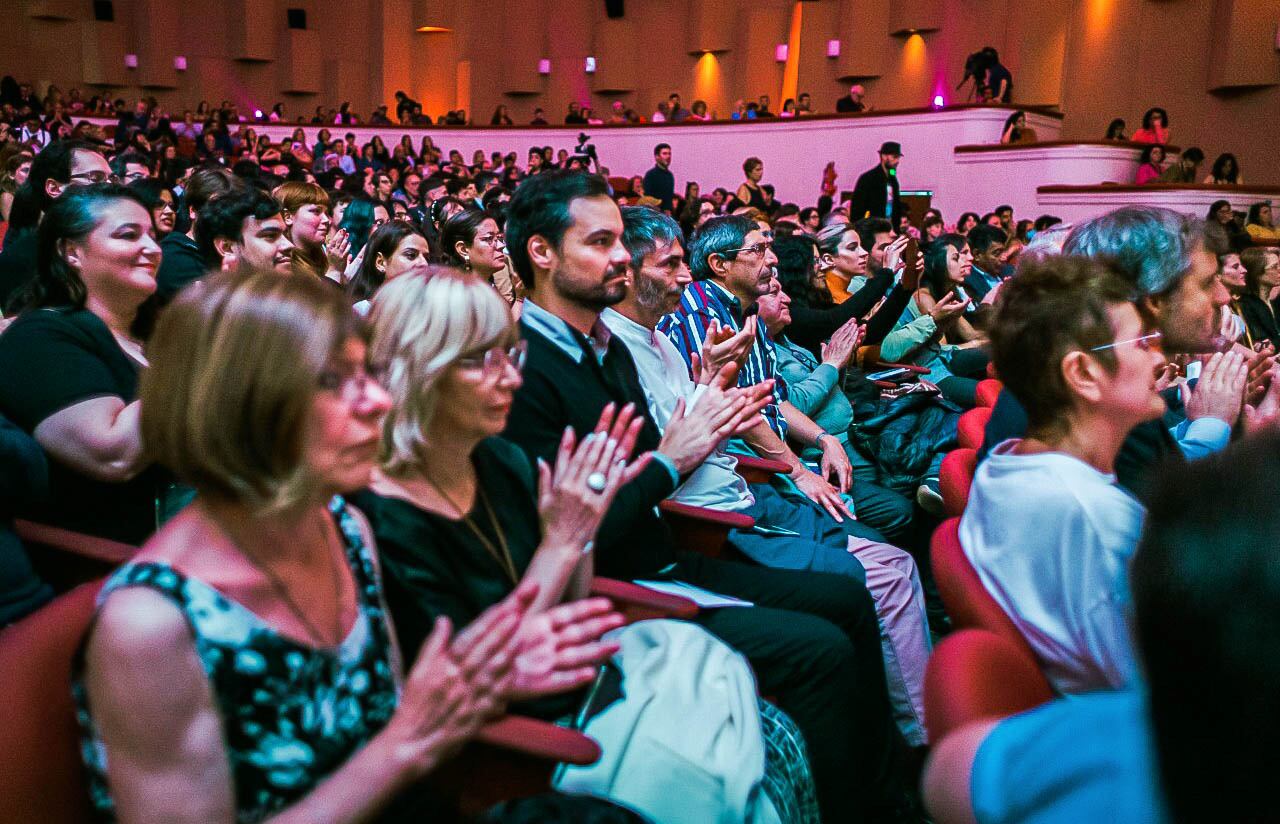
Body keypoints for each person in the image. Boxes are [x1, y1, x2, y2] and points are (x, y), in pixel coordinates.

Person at [74, 268, 630, 823]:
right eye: (334, 381)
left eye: (367, 373)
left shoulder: (342, 524)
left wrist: (475, 685)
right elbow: (398, 737)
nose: (380, 402)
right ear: (238, 404)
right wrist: (409, 740)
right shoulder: (150, 624)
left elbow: (385, 715)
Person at [500, 170, 917, 822]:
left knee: (846, 596)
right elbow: (587, 526)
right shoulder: (529, 369)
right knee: (821, 650)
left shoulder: (602, 349)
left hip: (661, 549)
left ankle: (886, 792)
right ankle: (857, 806)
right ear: (541, 253)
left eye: (620, 241)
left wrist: (704, 401)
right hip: (622, 584)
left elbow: (652, 464)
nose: (619, 257)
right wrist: (675, 457)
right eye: (600, 241)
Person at [357, 267, 818, 823]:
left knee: (779, 737)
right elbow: (475, 674)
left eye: (511, 354)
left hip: (580, 675)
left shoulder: (498, 460)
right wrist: (564, 541)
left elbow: (571, 602)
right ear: (417, 371)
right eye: (484, 359)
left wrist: (578, 537)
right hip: (516, 733)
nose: (510, 378)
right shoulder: (374, 517)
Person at [608, 209, 930, 744]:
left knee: (882, 556)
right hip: (728, 510)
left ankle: (903, 738)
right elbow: (725, 425)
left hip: (750, 488)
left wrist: (821, 440)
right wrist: (794, 468)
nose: (773, 259)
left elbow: (766, 400)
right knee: (871, 573)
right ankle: (912, 744)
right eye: (759, 251)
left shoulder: (676, 334)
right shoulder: (688, 319)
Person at [963, 255, 1168, 692]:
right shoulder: (1098, 519)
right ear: (1082, 373)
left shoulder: (1005, 463)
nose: (1159, 358)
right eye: (1142, 344)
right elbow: (1167, 694)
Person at [979, 207, 1244, 500]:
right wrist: (1226, 429)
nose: (1223, 296)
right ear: (1155, 298)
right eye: (1207, 282)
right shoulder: (1099, 398)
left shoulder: (1079, 370)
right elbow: (1172, 527)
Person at [0, 184, 165, 542]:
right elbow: (112, 454)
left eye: (153, 236)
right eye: (129, 235)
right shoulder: (42, 335)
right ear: (71, 252)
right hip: (114, 563)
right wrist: (202, 358)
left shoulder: (155, 336)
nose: (153, 249)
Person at [0, 139, 113, 313]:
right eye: (96, 178)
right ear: (54, 187)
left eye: (111, 179)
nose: (110, 187)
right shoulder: (20, 259)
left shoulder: (115, 247)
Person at [882, 234, 988, 407]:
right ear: (938, 263)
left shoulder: (939, 290)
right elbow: (892, 351)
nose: (968, 260)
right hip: (925, 371)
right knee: (993, 389)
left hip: (937, 361)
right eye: (957, 257)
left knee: (1001, 356)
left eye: (918, 257)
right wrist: (934, 321)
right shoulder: (918, 295)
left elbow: (966, 335)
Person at [155, 165, 238, 305]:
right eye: (216, 205)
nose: (225, 213)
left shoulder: (230, 249)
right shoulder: (174, 255)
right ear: (193, 210)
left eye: (232, 206)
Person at [195, 185, 294, 274]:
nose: (290, 245)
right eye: (270, 236)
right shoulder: (204, 294)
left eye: (285, 234)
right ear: (227, 247)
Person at [440, 208, 524, 305]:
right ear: (463, 249)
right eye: (489, 239)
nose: (501, 245)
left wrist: (519, 297)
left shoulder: (486, 285)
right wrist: (519, 299)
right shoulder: (459, 296)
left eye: (499, 237)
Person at [345, 221, 432, 314]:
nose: (424, 263)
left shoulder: (429, 311)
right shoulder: (362, 314)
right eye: (411, 255)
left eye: (426, 257)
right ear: (381, 262)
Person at [1237, 247, 1280, 347]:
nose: (1279, 270)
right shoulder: (1246, 305)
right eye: (1274, 267)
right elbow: (1263, 344)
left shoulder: (1275, 301)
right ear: (1257, 273)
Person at [850, 141, 903, 221]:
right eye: (895, 157)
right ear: (884, 156)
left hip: (888, 228)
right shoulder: (868, 178)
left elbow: (896, 208)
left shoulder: (893, 180)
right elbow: (857, 209)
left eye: (898, 157)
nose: (897, 161)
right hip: (872, 228)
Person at [962, 223, 1008, 303]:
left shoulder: (1011, 271)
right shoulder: (968, 282)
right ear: (977, 255)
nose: (1004, 258)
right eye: (997, 253)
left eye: (1003, 251)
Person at [642, 143, 675, 214]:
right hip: (655, 214)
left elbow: (669, 198)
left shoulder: (670, 175)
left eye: (669, 154)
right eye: (665, 154)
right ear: (657, 156)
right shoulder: (650, 175)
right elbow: (648, 199)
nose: (668, 156)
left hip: (667, 215)